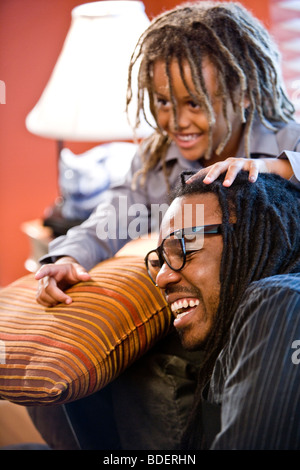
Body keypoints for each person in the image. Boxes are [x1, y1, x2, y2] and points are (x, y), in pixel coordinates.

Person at [31, 1, 300, 450]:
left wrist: (275, 168)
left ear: (245, 92)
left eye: (193, 102)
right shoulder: (159, 160)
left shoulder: (285, 137)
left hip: (262, 319)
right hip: (199, 315)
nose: (176, 121)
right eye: (162, 102)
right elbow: (113, 214)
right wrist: (66, 255)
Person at [145, 170, 300, 449]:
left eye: (184, 248)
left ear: (249, 240)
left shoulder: (280, 301)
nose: (161, 278)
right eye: (160, 261)